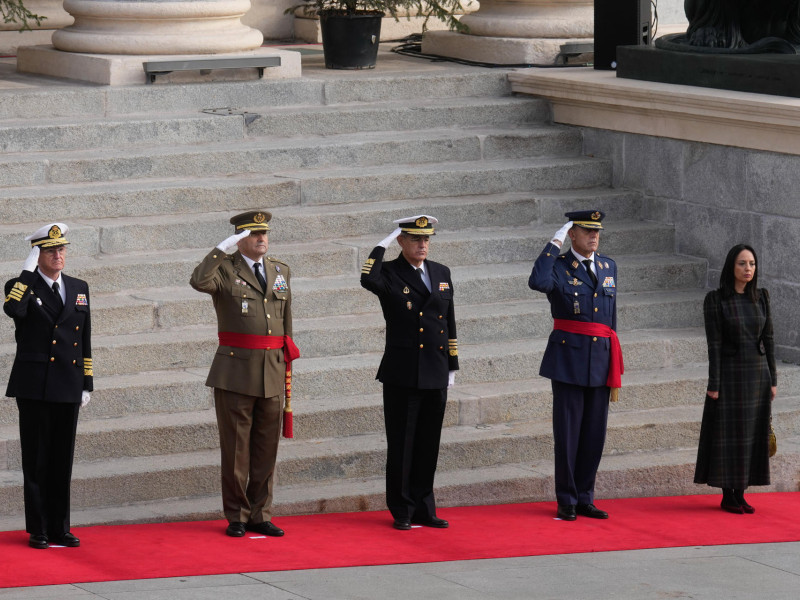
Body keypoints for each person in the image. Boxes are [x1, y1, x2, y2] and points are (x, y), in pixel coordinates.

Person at [190, 210, 298, 538]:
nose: (261, 238)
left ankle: (260, 513)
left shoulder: (280, 270)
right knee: (237, 449)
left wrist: (285, 363)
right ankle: (237, 514)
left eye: (264, 233)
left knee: (266, 449)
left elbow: (285, 323)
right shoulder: (224, 269)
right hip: (235, 371)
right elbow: (198, 281)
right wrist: (221, 249)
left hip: (272, 370)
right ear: (240, 239)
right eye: (253, 234)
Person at [360, 215, 459, 531]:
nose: (422, 244)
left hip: (435, 368)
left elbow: (449, 323)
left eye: (427, 239)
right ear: (402, 242)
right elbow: (367, 278)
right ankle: (402, 508)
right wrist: (382, 243)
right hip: (403, 372)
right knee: (402, 444)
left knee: (429, 444)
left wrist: (452, 365)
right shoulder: (389, 272)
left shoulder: (441, 272)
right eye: (415, 239)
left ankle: (424, 507)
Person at [528, 210, 623, 521]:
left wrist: (612, 360)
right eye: (586, 231)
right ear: (572, 234)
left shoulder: (608, 266)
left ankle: (585, 496)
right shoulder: (556, 267)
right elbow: (537, 282)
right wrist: (553, 243)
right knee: (568, 433)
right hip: (568, 359)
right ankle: (566, 498)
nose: (593, 236)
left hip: (600, 361)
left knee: (594, 434)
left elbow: (611, 318)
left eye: (597, 231)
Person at [4, 223, 93, 549]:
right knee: (37, 460)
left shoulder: (78, 286)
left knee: (61, 461)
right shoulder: (20, 286)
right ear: (37, 254)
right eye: (50, 250)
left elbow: (84, 339)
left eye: (61, 249)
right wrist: (27, 271)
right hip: (36, 386)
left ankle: (60, 527)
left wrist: (87, 383)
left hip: (68, 384)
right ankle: (39, 529)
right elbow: (14, 310)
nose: (59, 255)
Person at [694, 244, 777, 514]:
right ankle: (727, 494)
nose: (748, 269)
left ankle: (741, 493)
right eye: (742, 263)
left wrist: (773, 379)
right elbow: (713, 345)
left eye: (752, 264)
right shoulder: (716, 300)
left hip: (757, 376)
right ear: (732, 266)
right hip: (730, 376)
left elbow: (769, 340)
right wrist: (714, 384)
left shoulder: (762, 297)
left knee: (752, 435)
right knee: (729, 434)